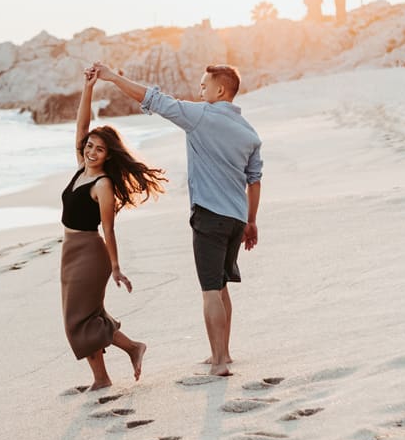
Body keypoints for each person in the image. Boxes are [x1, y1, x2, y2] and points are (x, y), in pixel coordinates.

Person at [92, 62, 262, 377]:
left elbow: (153, 99)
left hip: (209, 215)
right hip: (237, 219)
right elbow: (254, 180)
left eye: (204, 85)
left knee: (210, 289)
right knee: (222, 286)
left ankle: (219, 363)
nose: (200, 90)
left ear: (220, 90)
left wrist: (113, 77)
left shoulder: (200, 116)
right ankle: (223, 353)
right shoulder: (249, 132)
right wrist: (251, 221)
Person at [60, 68, 167, 390]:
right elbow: (81, 127)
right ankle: (108, 373)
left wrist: (116, 267)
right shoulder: (82, 168)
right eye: (90, 146)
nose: (91, 152)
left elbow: (109, 229)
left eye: (99, 150)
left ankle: (127, 353)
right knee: (86, 316)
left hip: (90, 254)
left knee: (78, 320)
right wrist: (87, 87)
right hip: (69, 252)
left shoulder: (102, 184)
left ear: (108, 156)